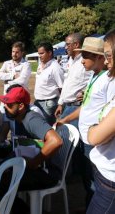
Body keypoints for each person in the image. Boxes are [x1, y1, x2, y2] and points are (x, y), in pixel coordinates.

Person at [57, 36, 115, 208]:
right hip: (87, 139)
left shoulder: (108, 80)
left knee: (95, 182)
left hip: (97, 142)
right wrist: (67, 118)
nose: (82, 61)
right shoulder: (95, 77)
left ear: (99, 58)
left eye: (86, 56)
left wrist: (96, 133)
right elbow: (88, 106)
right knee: (87, 176)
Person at [0, 87, 63, 191]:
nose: (5, 107)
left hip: (47, 172)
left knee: (3, 180)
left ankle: (20, 207)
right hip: (36, 166)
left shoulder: (31, 119)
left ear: (21, 106)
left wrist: (33, 163)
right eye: (5, 103)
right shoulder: (19, 118)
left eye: (9, 104)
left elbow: (56, 141)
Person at [84, 29, 115, 214]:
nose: (106, 60)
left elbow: (96, 136)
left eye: (109, 55)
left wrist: (94, 129)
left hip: (110, 183)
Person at [54, 33, 92, 128]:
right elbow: (66, 84)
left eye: (68, 44)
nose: (66, 47)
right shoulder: (70, 60)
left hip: (77, 107)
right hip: (67, 106)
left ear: (76, 45)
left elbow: (95, 79)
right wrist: (60, 104)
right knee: (65, 136)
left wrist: (87, 92)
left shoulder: (86, 61)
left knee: (75, 139)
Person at [34, 42, 64, 125]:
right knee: (38, 126)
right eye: (39, 53)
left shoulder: (55, 68)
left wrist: (61, 105)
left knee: (46, 128)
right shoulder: (40, 65)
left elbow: (62, 87)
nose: (40, 56)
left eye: (42, 53)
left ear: (50, 53)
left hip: (49, 104)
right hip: (38, 101)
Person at [0, 41, 32, 113]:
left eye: (17, 52)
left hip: (19, 100)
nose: (14, 54)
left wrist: (7, 81)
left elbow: (22, 81)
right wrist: (12, 76)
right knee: (3, 120)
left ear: (22, 53)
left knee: (18, 122)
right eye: (13, 51)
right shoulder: (6, 63)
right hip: (6, 97)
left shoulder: (26, 65)